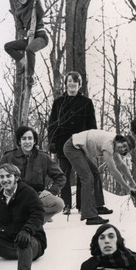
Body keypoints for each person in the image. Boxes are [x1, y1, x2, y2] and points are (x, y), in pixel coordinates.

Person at [62, 130, 136, 225]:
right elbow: (113, 170)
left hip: (78, 149)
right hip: (72, 147)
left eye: (126, 149)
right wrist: (128, 188)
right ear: (120, 140)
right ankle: (90, 216)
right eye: (123, 145)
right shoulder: (108, 143)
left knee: (94, 172)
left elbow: (121, 165)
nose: (123, 149)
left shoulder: (114, 145)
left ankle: (97, 206)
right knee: (87, 178)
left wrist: (132, 182)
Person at [47, 72, 98, 214]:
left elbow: (92, 125)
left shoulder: (86, 102)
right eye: (69, 81)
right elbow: (52, 123)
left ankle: (82, 205)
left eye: (75, 81)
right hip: (63, 144)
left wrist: (91, 142)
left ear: (79, 84)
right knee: (64, 174)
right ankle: (66, 205)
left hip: (82, 144)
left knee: (83, 174)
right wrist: (52, 141)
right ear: (66, 83)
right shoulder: (58, 102)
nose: (72, 84)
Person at [0, 125, 66, 222]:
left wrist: (51, 191)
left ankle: (34, 220)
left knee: (59, 203)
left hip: (36, 197)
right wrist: (1, 199)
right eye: (24, 139)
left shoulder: (43, 157)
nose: (27, 142)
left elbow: (60, 177)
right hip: (15, 198)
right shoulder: (9, 157)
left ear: (34, 141)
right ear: (19, 141)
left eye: (30, 138)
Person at [3, 0, 48, 85]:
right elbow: (19, 29)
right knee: (8, 46)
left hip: (41, 37)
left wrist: (38, 1)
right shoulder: (18, 11)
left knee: (29, 49)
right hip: (29, 38)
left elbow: (41, 14)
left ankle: (30, 76)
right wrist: (26, 33)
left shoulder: (34, 3)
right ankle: (24, 62)